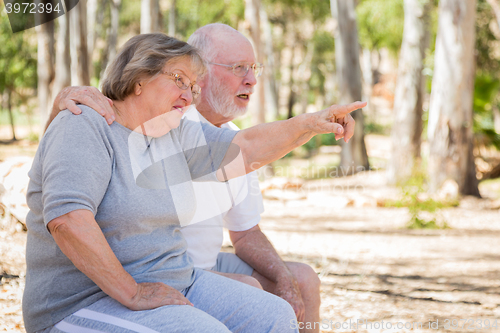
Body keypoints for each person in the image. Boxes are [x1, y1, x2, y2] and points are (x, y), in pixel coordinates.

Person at [48, 24, 360, 333]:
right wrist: (133, 292)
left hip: (175, 278)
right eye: (179, 80)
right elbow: (68, 221)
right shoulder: (86, 122)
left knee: (274, 315)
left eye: (193, 86)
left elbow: (246, 148)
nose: (189, 95)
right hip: (86, 299)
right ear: (139, 78)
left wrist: (310, 124)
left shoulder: (176, 130)